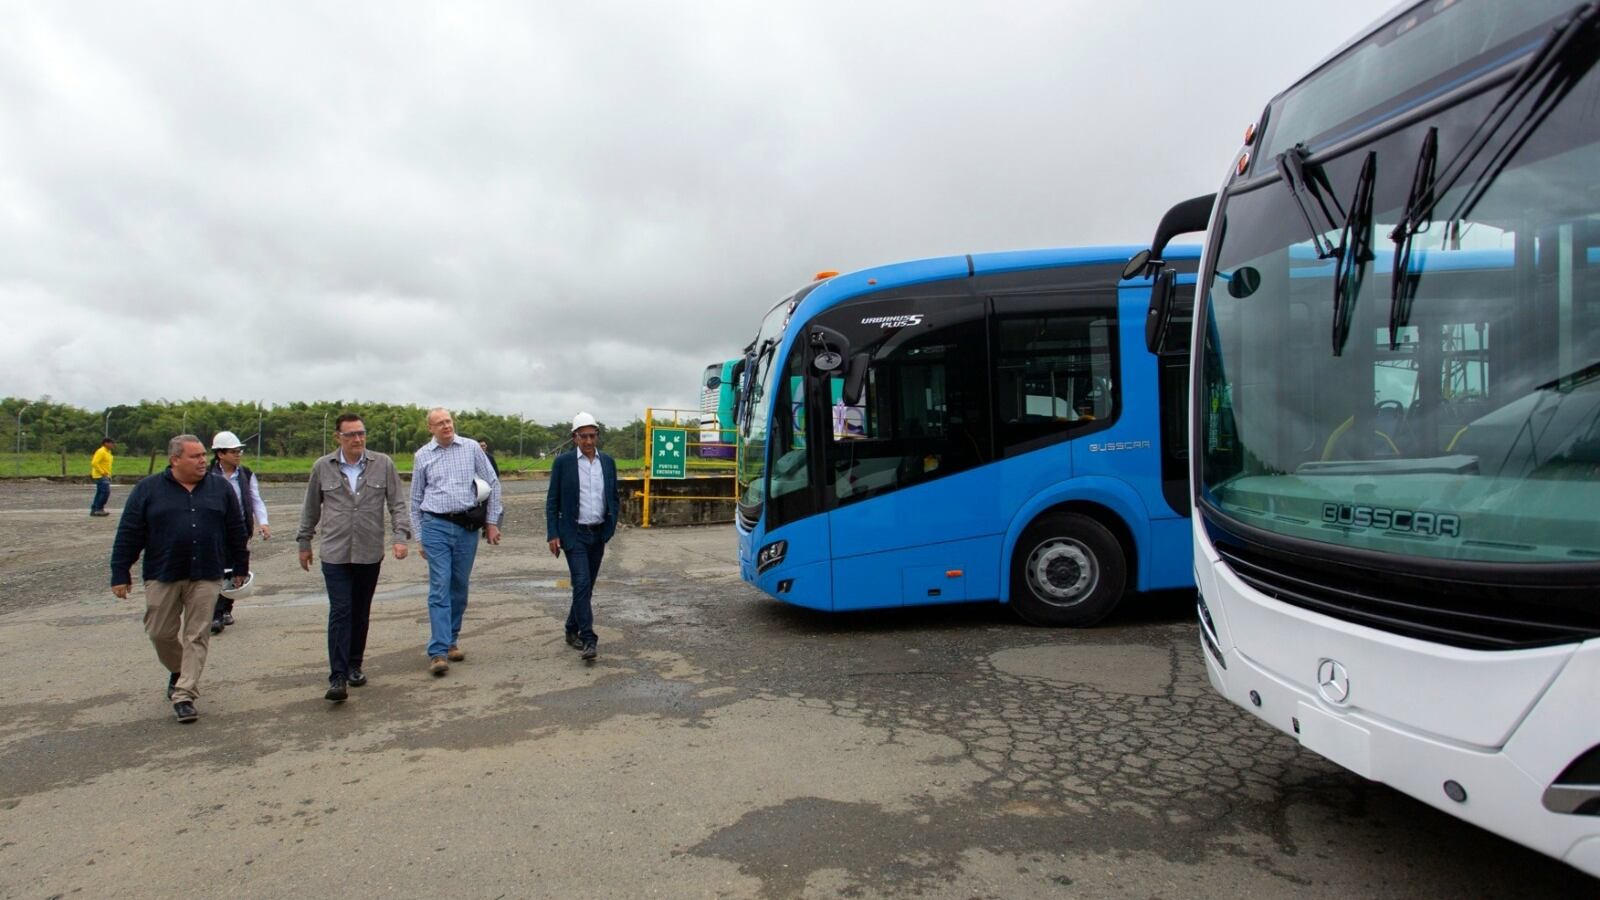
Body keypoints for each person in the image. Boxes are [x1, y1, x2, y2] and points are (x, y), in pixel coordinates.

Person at [110, 434, 248, 723]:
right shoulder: (148, 490)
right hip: (164, 573)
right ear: (175, 460)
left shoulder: (220, 488)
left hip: (207, 574)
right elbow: (129, 532)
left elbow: (236, 529)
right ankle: (179, 670)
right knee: (159, 632)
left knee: (197, 634)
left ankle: (184, 693)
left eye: (202, 455)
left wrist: (239, 567)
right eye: (195, 456)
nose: (202, 461)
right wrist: (120, 571)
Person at [296, 413, 411, 702]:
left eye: (361, 433)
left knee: (360, 611)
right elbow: (311, 508)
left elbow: (397, 504)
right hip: (335, 553)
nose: (357, 439)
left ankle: (354, 664)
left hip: (369, 552)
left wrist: (400, 537)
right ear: (339, 437)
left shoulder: (382, 464)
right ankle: (337, 677)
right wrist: (304, 541)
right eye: (350, 435)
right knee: (341, 610)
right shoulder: (322, 467)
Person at [409, 407, 501, 676]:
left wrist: (492, 522)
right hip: (435, 525)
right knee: (440, 586)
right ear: (431, 429)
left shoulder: (472, 448)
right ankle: (438, 651)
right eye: (439, 423)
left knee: (459, 586)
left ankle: (451, 640)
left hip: (466, 527)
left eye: (448, 421)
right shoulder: (422, 456)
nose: (446, 426)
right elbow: (415, 499)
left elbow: (492, 483)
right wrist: (420, 537)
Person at [545, 412, 618, 661]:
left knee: (586, 587)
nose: (588, 441)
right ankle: (588, 638)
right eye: (583, 436)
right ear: (574, 438)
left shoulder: (607, 462)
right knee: (582, 583)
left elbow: (613, 496)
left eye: (592, 435)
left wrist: (611, 526)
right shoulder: (563, 463)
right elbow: (552, 500)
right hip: (573, 534)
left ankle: (570, 628)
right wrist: (553, 533)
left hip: (597, 533)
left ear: (597, 435)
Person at [208, 431, 270, 634]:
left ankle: (227, 609)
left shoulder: (246, 474)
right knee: (217, 570)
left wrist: (264, 522)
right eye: (234, 451)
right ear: (220, 454)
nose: (238, 455)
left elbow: (255, 499)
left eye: (239, 451)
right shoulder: (207, 475)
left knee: (236, 570)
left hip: (240, 529)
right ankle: (215, 615)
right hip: (215, 531)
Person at [89, 438, 116, 516]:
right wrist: (102, 472)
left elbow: (107, 465)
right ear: (105, 443)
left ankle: (94, 509)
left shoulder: (108, 452)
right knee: (105, 492)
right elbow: (94, 463)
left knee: (100, 492)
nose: (113, 445)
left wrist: (109, 475)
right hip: (100, 475)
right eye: (111, 443)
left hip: (105, 475)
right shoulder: (101, 451)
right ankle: (99, 509)